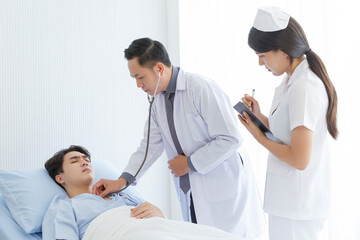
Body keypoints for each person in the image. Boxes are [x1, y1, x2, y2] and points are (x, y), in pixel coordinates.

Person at [92, 38, 265, 238]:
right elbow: (148, 147)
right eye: (134, 78)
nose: (138, 85)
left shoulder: (200, 88)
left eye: (140, 77)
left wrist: (190, 163)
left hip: (223, 186)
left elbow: (231, 138)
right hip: (193, 189)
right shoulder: (158, 100)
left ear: (158, 68)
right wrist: (122, 181)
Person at [238, 7, 338, 240]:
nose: (261, 64)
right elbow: (287, 134)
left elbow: (299, 159)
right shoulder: (291, 81)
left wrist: (259, 138)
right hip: (289, 204)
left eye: (262, 56)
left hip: (298, 207)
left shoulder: (304, 86)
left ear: (282, 51)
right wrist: (259, 118)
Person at [42, 145, 164, 239]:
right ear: (60, 178)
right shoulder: (64, 206)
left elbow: (163, 223)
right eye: (74, 161)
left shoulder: (123, 196)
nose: (84, 162)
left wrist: (158, 213)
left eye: (87, 160)